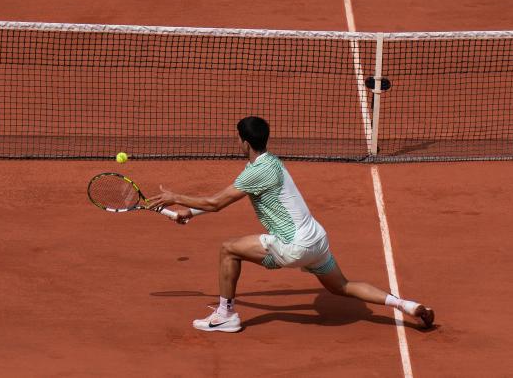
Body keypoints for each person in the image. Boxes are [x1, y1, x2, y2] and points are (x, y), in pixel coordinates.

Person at [146, 116, 436, 333]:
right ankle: (405, 305)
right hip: (317, 240)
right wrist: (190, 212)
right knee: (342, 286)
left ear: (244, 142)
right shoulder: (271, 163)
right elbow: (221, 202)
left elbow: (216, 202)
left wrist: (174, 196)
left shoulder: (255, 173)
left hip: (294, 245)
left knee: (228, 249)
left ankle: (226, 315)